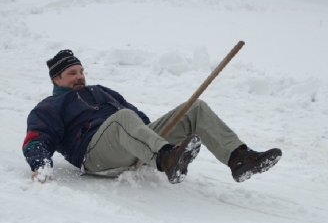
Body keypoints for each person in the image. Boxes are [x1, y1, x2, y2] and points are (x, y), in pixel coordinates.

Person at [22, 49, 282, 184]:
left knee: (196, 108)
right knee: (123, 117)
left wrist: (153, 133)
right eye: (71, 73)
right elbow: (36, 138)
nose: (80, 76)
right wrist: (40, 166)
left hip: (131, 143)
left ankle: (238, 158)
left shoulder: (101, 91)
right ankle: (166, 158)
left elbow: (139, 119)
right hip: (95, 156)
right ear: (56, 78)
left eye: (81, 70)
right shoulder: (49, 106)